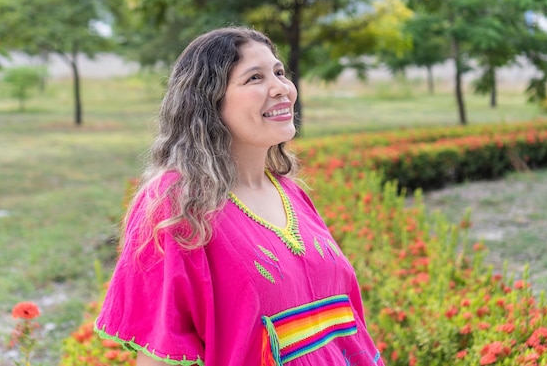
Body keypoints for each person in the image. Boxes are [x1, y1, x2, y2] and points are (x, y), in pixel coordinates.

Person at [95, 27, 384, 366]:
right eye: (254, 78)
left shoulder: (289, 191)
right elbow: (161, 350)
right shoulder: (177, 204)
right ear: (208, 101)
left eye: (279, 72)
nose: (282, 88)